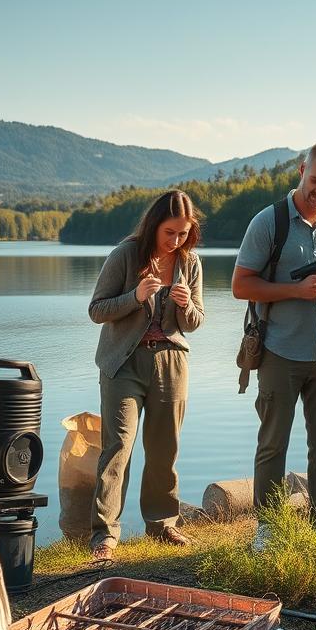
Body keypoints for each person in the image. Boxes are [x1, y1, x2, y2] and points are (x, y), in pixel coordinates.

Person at [232, 139, 316, 552]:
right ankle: (268, 530)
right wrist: (295, 290)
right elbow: (240, 286)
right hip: (279, 352)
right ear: (301, 169)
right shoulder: (268, 223)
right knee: (273, 444)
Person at [88, 190, 205, 563]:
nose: (175, 241)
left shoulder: (191, 263)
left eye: (183, 234)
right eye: (169, 232)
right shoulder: (125, 255)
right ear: (155, 225)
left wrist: (186, 307)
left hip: (171, 364)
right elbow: (96, 310)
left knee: (164, 447)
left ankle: (162, 523)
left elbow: (195, 322)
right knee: (118, 446)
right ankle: (105, 534)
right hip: (123, 363)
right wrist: (135, 296)